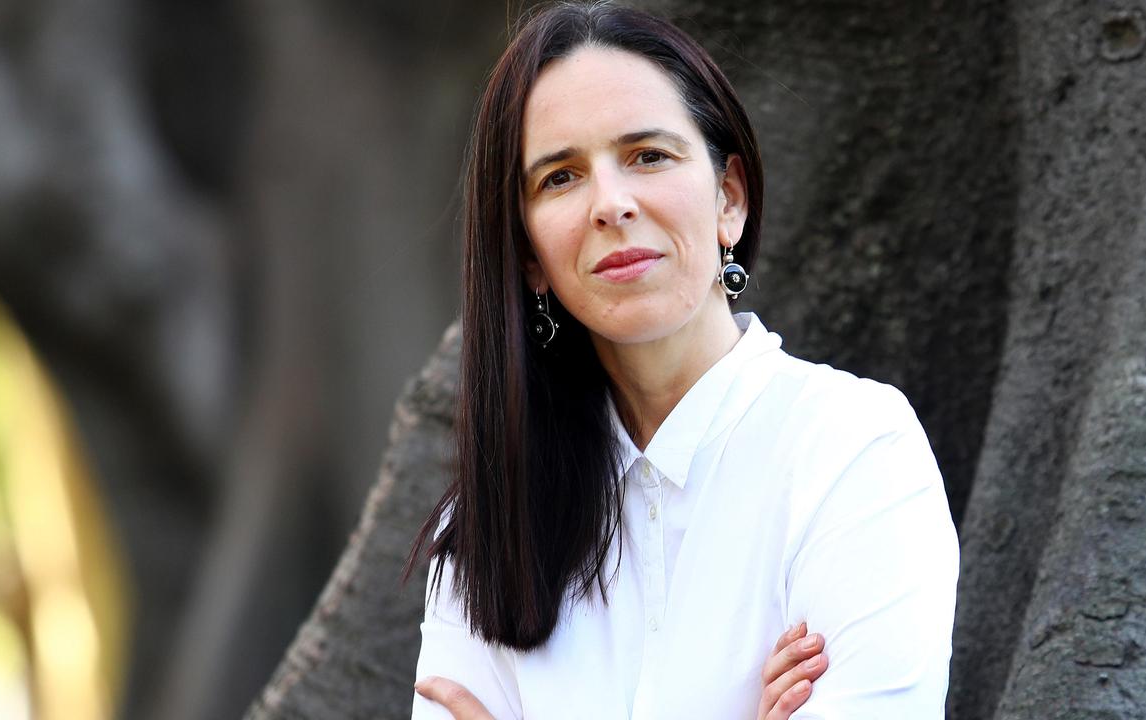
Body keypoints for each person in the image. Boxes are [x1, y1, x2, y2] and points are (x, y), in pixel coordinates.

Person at [407, 2, 959, 718]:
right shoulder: (484, 532)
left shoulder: (854, 450)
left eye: (648, 156)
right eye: (560, 178)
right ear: (530, 258)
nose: (612, 203)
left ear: (729, 198)